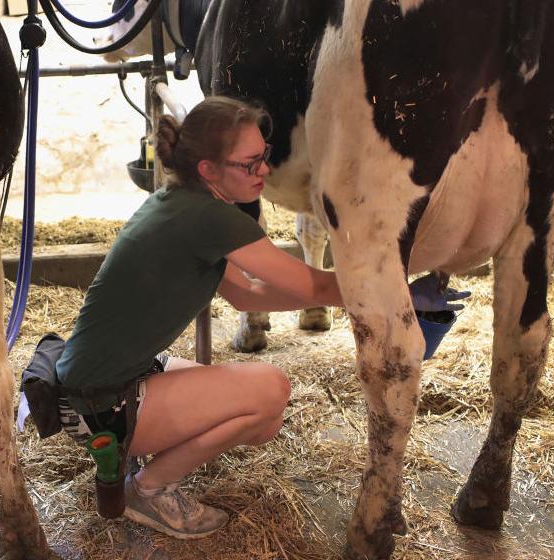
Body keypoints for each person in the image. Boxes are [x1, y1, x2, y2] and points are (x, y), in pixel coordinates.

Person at [54, 96, 463, 540]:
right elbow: (315, 289)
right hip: (99, 404)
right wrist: (400, 287)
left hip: (94, 388)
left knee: (265, 420)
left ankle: (144, 459)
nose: (264, 172)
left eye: (264, 157)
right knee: (271, 388)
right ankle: (148, 488)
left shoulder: (183, 202)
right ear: (209, 169)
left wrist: (385, 292)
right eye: (249, 164)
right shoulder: (210, 219)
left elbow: (247, 296)